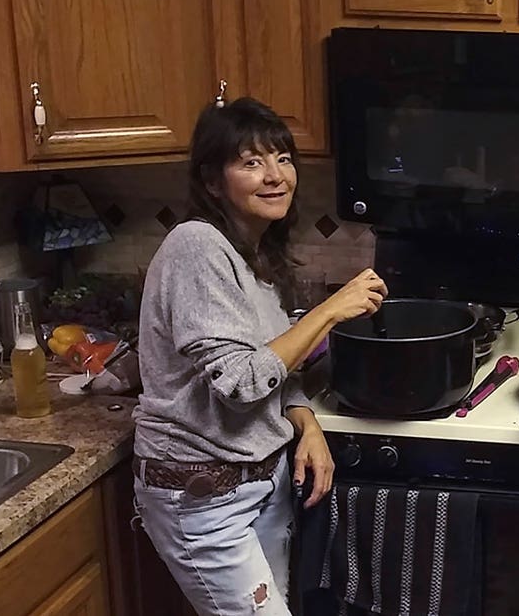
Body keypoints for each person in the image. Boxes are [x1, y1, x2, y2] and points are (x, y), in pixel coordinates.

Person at [132, 97, 389, 616]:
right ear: (211, 181)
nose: (275, 176)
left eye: (283, 159)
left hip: (261, 485)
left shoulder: (252, 252)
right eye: (251, 163)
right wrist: (330, 311)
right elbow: (241, 383)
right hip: (202, 498)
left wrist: (305, 422)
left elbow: (274, 367)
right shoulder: (196, 246)